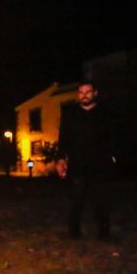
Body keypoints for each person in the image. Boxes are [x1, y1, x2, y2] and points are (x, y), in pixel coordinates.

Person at [56, 81, 115, 240]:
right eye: (81, 92)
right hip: (77, 164)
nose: (84, 95)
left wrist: (113, 157)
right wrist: (61, 159)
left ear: (95, 93)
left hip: (100, 164)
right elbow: (63, 138)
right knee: (76, 200)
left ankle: (104, 234)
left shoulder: (104, 113)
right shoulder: (70, 114)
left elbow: (112, 137)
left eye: (88, 92)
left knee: (101, 200)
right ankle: (74, 233)